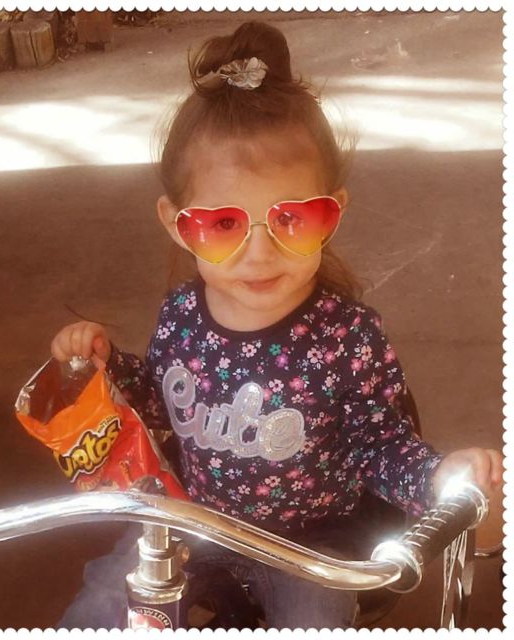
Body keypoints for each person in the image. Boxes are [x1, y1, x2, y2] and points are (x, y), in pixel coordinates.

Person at [52, 22, 504, 629]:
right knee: (104, 604)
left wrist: (437, 478)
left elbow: (381, 445)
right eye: (223, 225)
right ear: (177, 224)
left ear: (333, 213)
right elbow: (158, 407)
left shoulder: (347, 337)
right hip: (196, 522)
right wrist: (106, 368)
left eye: (292, 219)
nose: (260, 254)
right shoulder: (182, 317)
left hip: (309, 547)